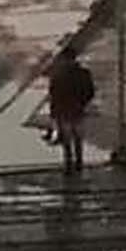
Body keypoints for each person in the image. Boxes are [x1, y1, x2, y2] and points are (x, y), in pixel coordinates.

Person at [46, 44, 96, 177]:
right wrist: (82, 103)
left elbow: (53, 95)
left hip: (64, 109)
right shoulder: (83, 73)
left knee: (67, 139)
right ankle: (78, 163)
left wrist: (53, 112)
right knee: (77, 137)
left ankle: (69, 165)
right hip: (77, 108)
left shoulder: (58, 75)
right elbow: (90, 92)